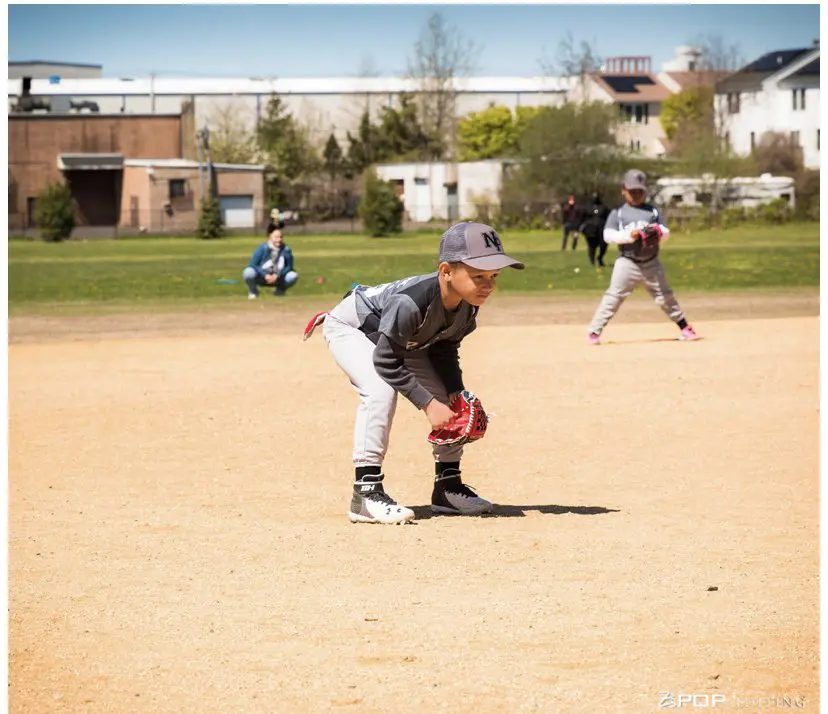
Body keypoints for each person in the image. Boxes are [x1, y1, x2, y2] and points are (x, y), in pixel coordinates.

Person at [312, 221, 525, 524]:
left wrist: (454, 392)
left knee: (450, 401)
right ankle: (366, 492)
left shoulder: (467, 305)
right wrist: (427, 404)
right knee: (380, 390)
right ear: (446, 272)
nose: (488, 284)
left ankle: (447, 487)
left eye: (493, 275)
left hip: (403, 340)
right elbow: (386, 361)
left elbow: (444, 347)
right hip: (356, 328)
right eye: (478, 276)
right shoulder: (409, 303)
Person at [587, 169, 699, 345]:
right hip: (627, 262)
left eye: (640, 191)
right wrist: (629, 236)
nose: (636, 195)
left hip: (651, 263)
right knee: (613, 297)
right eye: (632, 191)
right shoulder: (619, 213)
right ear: (623, 190)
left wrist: (659, 232)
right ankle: (594, 331)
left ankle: (685, 327)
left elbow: (666, 231)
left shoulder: (652, 212)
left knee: (665, 297)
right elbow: (608, 235)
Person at [243, 228, 299, 299]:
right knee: (248, 272)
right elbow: (252, 264)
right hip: (261, 277)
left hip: (278, 278)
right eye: (276, 237)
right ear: (270, 237)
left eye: (281, 237)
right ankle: (253, 292)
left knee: (293, 276)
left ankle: (280, 290)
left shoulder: (286, 250)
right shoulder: (262, 248)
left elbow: (289, 267)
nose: (279, 240)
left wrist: (277, 275)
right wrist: (265, 275)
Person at [579, 192, 611, 268]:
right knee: (591, 246)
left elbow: (609, 217)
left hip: (601, 229)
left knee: (603, 245)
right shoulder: (587, 207)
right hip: (590, 230)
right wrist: (580, 228)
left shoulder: (604, 207)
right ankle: (592, 262)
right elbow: (582, 218)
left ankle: (600, 258)